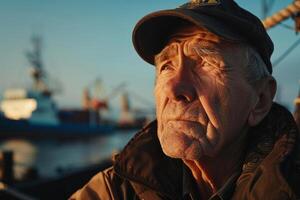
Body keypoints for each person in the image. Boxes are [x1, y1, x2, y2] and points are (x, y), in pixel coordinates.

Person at [71, 0, 300, 199]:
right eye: (166, 66)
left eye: (206, 63)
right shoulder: (116, 189)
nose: (173, 87)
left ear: (259, 100)